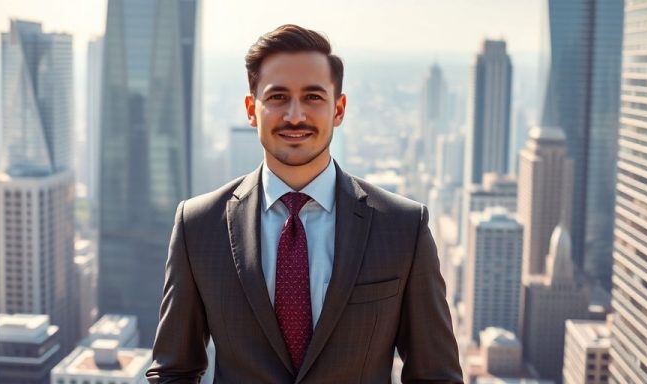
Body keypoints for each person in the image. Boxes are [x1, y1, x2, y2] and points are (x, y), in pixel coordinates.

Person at [147, 24, 462, 383]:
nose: (295, 115)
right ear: (252, 109)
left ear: (338, 109)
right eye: (278, 97)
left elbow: (436, 376)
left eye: (313, 97)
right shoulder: (198, 226)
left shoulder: (403, 227)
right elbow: (173, 371)